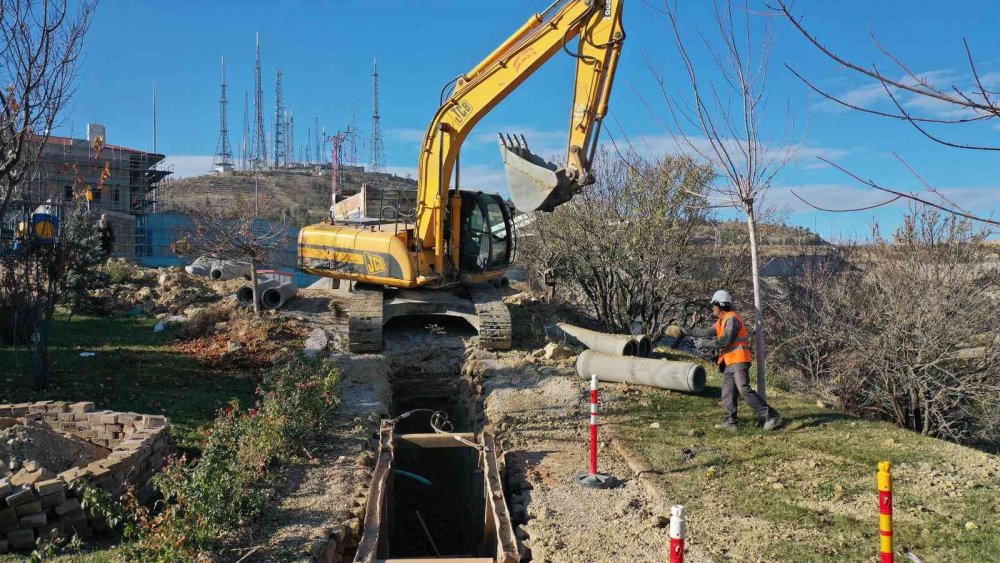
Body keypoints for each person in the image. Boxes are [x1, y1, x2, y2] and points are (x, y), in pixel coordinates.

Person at [669, 290, 781, 432]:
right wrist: (683, 331)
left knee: (743, 389)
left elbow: (726, 340)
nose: (712, 308)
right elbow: (706, 332)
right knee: (727, 392)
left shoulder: (732, 319)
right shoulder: (722, 321)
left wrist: (705, 344)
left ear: (719, 305)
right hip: (729, 361)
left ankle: (770, 415)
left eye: (713, 305)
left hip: (739, 360)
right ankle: (731, 422)